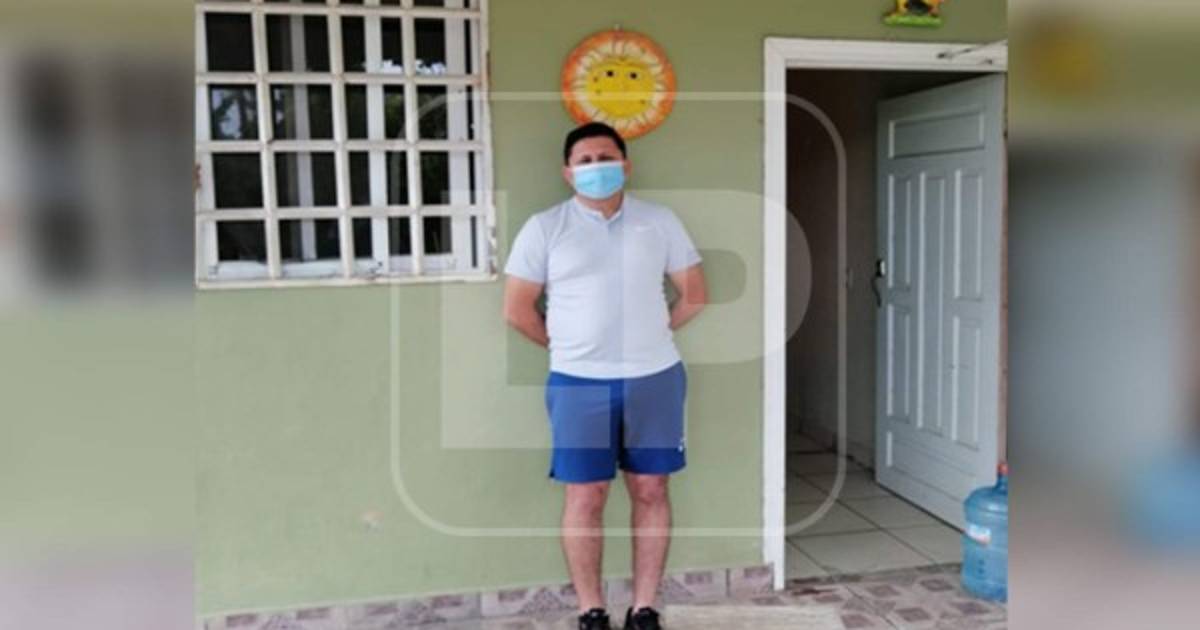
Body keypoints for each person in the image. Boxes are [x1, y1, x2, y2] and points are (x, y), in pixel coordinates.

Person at [503, 122, 707, 630]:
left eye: (606, 157)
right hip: (578, 383)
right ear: (568, 172)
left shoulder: (660, 222)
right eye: (586, 161)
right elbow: (517, 310)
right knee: (586, 495)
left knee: (651, 489)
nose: (597, 167)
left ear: (626, 165)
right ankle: (590, 611)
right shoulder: (544, 228)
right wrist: (571, 348)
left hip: (655, 378)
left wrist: (651, 334)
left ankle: (644, 609)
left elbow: (694, 295)